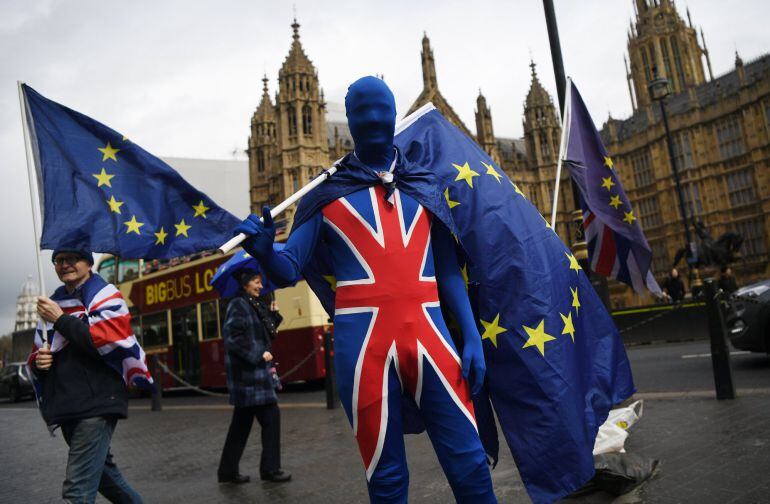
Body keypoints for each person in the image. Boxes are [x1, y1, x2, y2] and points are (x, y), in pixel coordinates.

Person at [235, 77, 495, 502]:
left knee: (470, 464)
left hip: (434, 339)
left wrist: (471, 337)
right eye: (361, 112)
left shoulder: (425, 184)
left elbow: (449, 273)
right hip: (364, 351)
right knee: (386, 477)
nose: (373, 119)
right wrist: (265, 251)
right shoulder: (322, 193)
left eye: (381, 110)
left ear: (394, 115)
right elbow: (287, 270)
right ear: (349, 120)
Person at [31, 248, 145, 503]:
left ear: (88, 263)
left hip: (97, 404)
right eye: (59, 260)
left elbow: (105, 345)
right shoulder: (53, 302)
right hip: (69, 405)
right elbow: (45, 350)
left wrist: (60, 319)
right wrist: (41, 361)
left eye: (72, 259)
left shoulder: (107, 296)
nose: (65, 265)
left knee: (77, 491)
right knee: (109, 481)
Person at [217, 269, 290, 484]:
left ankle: (227, 471)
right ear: (246, 283)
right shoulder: (239, 305)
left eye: (260, 282)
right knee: (271, 417)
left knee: (240, 425)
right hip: (250, 378)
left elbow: (266, 334)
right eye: (257, 282)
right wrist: (259, 354)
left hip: (252, 378)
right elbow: (233, 337)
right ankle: (270, 469)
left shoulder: (254, 304)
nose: (260, 286)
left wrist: (274, 314)